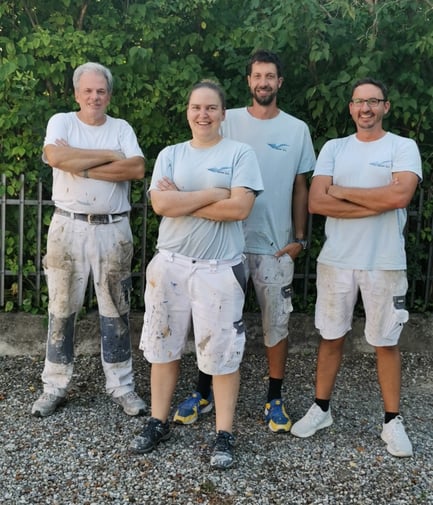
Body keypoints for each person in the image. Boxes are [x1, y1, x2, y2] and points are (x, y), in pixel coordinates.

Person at [173, 50, 316, 433]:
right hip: (224, 245)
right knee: (213, 321)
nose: (263, 82)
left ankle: (274, 398)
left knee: (276, 326)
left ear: (279, 82)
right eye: (257, 76)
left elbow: (301, 187)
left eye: (270, 76)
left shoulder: (297, 129)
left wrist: (300, 239)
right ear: (248, 81)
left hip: (275, 247)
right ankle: (203, 392)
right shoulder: (227, 119)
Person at [129, 80, 263, 470]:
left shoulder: (240, 153)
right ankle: (158, 421)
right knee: (163, 347)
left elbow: (239, 210)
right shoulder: (170, 154)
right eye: (196, 107)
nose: (203, 115)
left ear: (223, 114)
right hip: (170, 265)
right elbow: (160, 205)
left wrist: (182, 200)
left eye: (211, 108)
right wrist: (214, 193)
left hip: (218, 270)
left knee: (222, 355)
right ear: (187, 111)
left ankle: (224, 433)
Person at [290, 77, 422, 458]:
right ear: (350, 108)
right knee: (331, 337)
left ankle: (392, 421)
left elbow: (401, 195)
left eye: (374, 101)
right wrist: (378, 201)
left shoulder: (402, 147)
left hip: (385, 261)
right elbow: (317, 202)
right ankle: (321, 409)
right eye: (359, 102)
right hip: (337, 260)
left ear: (386, 107)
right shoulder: (334, 148)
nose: (366, 108)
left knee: (386, 342)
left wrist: (343, 192)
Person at [32, 62, 146, 418]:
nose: (94, 97)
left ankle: (122, 386)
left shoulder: (121, 128)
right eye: (88, 91)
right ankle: (54, 386)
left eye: (101, 91)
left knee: (116, 308)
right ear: (76, 93)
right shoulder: (62, 122)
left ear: (108, 95)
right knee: (61, 307)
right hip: (68, 226)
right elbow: (55, 156)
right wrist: (110, 156)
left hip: (113, 228)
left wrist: (77, 164)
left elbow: (136, 168)